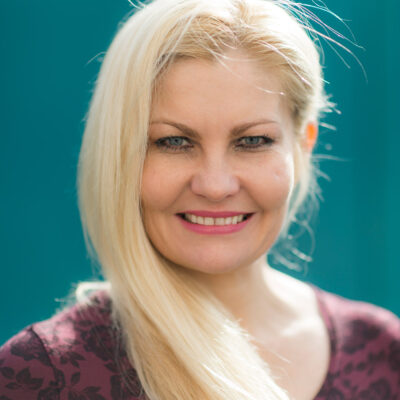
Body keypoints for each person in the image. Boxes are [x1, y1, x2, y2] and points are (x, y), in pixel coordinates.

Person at [1, 0, 399, 399]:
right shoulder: (43, 374)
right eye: (173, 141)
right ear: (119, 154)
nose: (215, 185)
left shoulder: (384, 351)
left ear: (301, 146)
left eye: (253, 141)